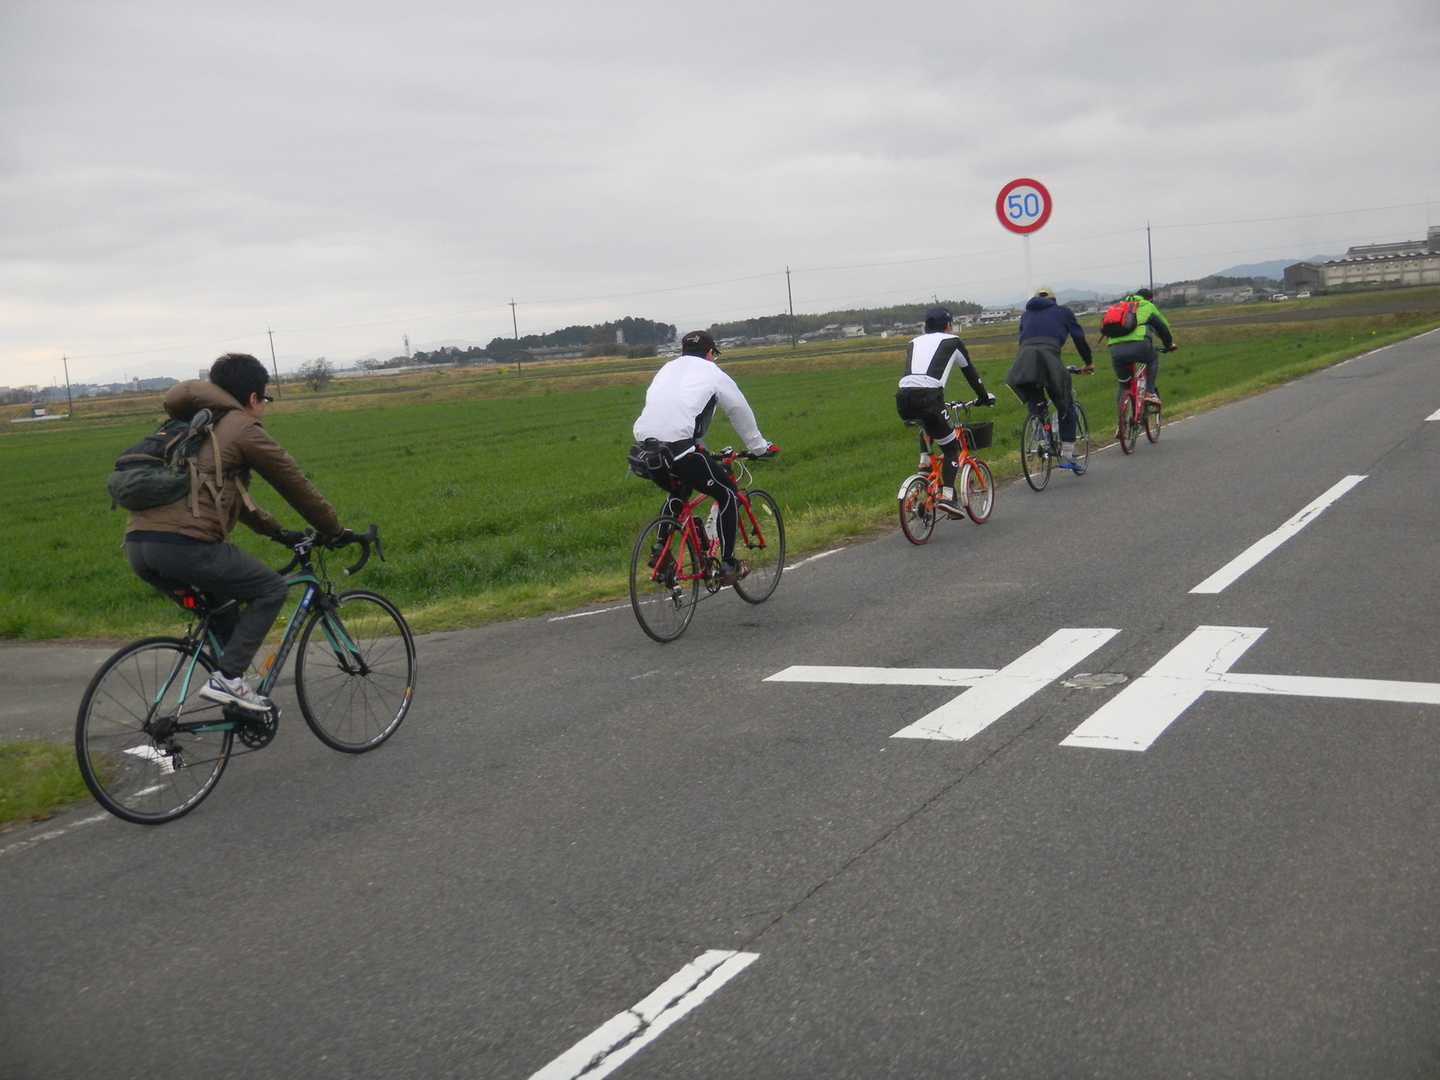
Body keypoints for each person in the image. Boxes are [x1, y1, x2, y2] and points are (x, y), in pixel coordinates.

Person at [123, 353, 352, 712]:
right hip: (187, 545)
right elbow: (293, 483)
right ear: (252, 398)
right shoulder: (241, 427)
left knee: (224, 610)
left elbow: (236, 501)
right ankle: (228, 680)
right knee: (271, 589)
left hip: (140, 546)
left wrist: (279, 533)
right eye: (265, 399)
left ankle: (235, 698)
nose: (264, 407)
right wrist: (334, 529)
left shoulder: (194, 425)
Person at [631, 330, 778, 587]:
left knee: (679, 491)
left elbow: (670, 410)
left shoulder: (666, 369)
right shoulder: (712, 372)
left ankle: (660, 550)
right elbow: (739, 409)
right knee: (727, 494)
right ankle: (729, 564)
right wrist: (758, 447)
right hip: (680, 447)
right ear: (710, 353)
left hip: (645, 450)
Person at [896, 306, 996, 515]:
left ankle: (924, 463)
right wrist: (984, 397)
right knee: (951, 448)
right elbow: (971, 373)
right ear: (948, 325)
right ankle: (948, 497)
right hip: (929, 397)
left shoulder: (913, 342)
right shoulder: (953, 341)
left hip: (903, 398)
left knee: (927, 424)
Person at [1003, 286, 1094, 474]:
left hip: (1024, 360)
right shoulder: (1063, 312)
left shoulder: (1026, 315)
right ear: (1054, 300)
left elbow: (1023, 339)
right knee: (1065, 404)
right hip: (1050, 357)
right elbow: (1078, 337)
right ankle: (1067, 454)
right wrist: (1088, 362)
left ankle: (1039, 432)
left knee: (1036, 399)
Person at [1105, 287, 1176, 409]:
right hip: (1140, 346)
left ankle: (1122, 417)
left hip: (1115, 349)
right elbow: (1162, 327)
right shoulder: (1147, 305)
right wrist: (1169, 344)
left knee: (1124, 386)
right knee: (1152, 359)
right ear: (1150, 299)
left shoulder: (1120, 306)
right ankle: (1150, 392)